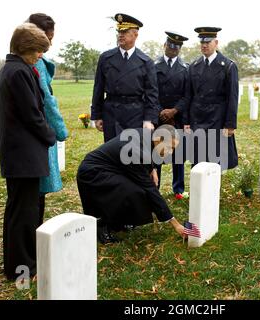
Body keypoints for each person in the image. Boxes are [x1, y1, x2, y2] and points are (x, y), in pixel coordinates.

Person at [0, 23, 55, 280]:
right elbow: (32, 114)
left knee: (17, 210)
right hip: (24, 154)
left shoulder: (10, 69)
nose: (39, 56)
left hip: (18, 153)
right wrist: (50, 136)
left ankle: (16, 264)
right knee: (24, 214)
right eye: (37, 51)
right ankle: (24, 266)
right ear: (24, 48)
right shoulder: (18, 72)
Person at [77, 125, 185, 244]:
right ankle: (102, 225)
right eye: (170, 147)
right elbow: (150, 189)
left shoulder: (147, 135)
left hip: (110, 169)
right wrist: (175, 224)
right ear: (159, 139)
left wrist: (152, 169)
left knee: (136, 190)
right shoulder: (136, 152)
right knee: (132, 191)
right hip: (93, 174)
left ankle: (121, 221)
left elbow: (147, 153)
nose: (171, 152)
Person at [91, 13, 159, 142]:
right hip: (111, 113)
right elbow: (98, 88)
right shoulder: (106, 58)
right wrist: (97, 115)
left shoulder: (146, 62)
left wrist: (149, 119)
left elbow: (152, 94)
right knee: (112, 153)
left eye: (125, 31)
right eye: (119, 31)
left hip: (135, 114)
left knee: (131, 155)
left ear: (136, 35)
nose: (120, 35)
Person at [27, 13, 69, 225]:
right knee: (36, 195)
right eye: (48, 38)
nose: (51, 43)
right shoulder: (38, 63)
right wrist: (61, 131)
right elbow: (47, 100)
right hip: (39, 131)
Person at [184, 27, 239, 171]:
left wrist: (230, 124)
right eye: (202, 42)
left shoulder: (228, 66)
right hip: (197, 119)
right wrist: (186, 122)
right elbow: (188, 96)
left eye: (208, 42)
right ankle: (199, 191)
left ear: (216, 42)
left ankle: (212, 191)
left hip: (217, 119)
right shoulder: (194, 66)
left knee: (215, 160)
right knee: (198, 159)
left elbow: (232, 97)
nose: (204, 45)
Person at [154, 31, 189, 198]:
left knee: (178, 155)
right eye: (170, 45)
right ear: (164, 45)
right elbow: (151, 93)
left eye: (177, 46)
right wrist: (161, 111)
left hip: (178, 117)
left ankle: (178, 189)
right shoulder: (153, 66)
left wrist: (174, 111)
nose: (173, 48)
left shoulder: (185, 68)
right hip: (159, 116)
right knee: (158, 153)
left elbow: (187, 95)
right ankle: (155, 187)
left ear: (180, 49)